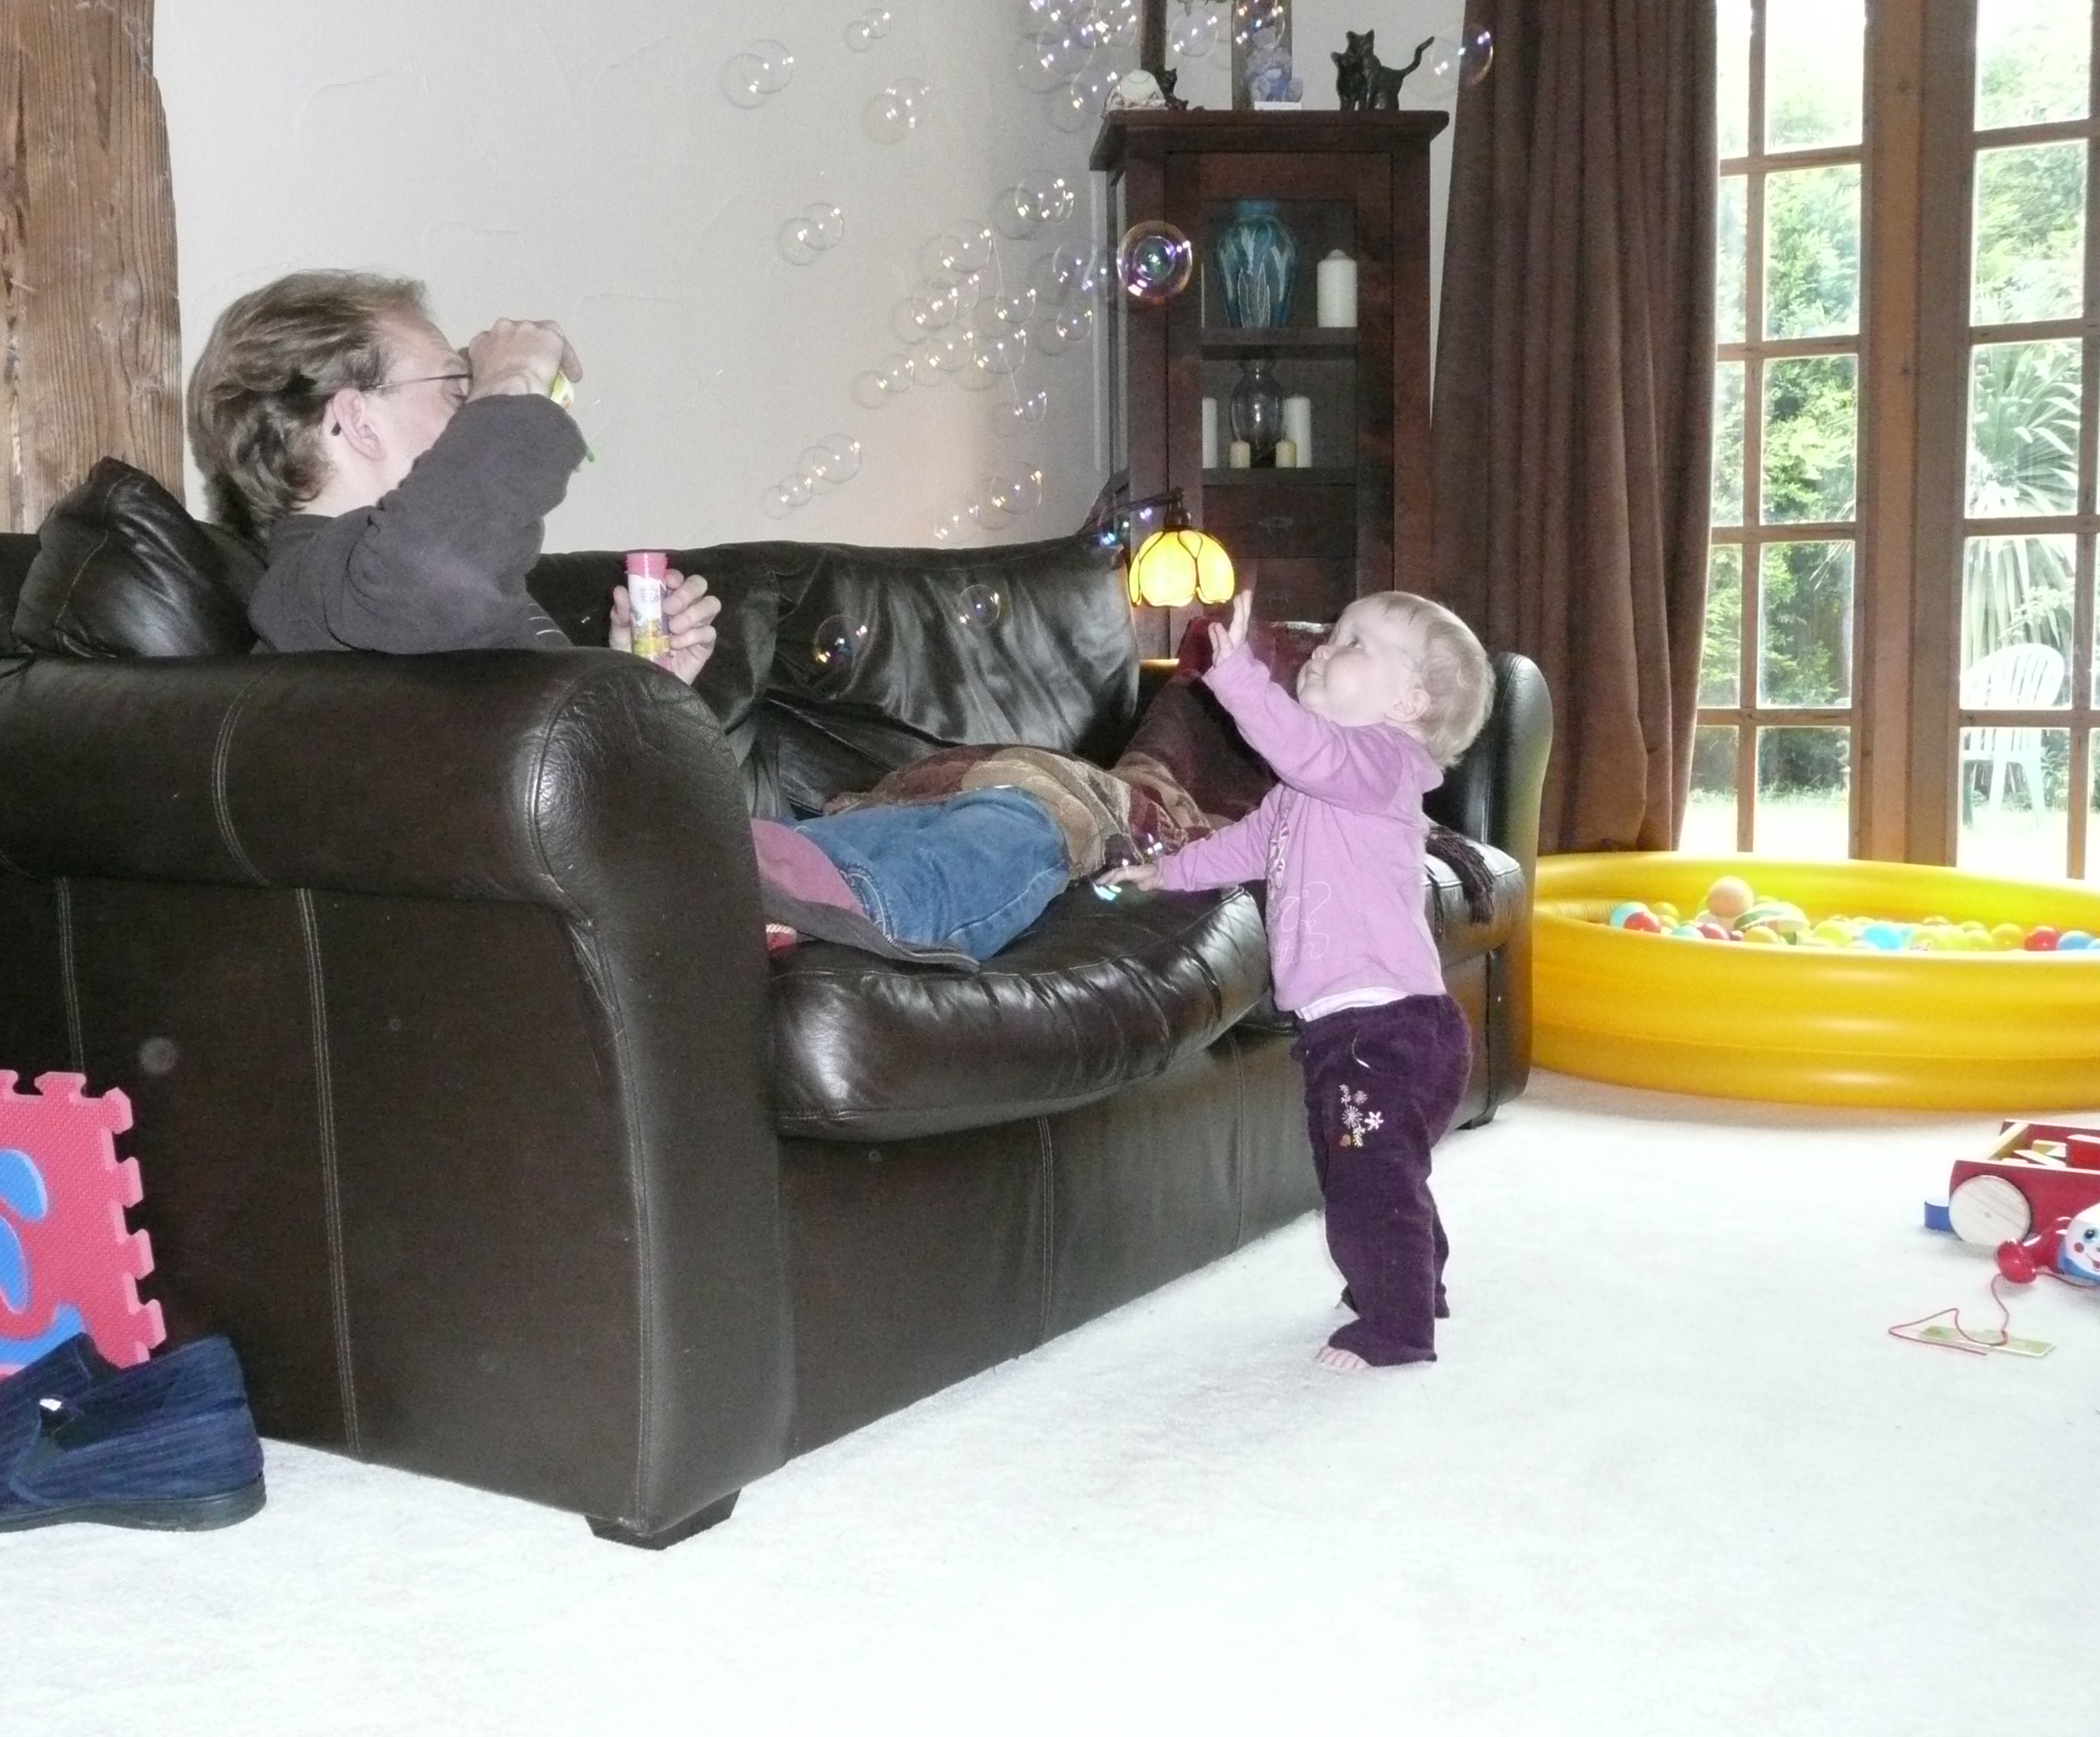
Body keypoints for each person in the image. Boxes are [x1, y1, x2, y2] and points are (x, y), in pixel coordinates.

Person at [186, 269, 1104, 961]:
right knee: (1027, 826)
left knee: (998, 801)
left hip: (705, 864)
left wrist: (633, 686)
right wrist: (515, 380)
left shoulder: (368, 594)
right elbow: (437, 571)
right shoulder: (316, 581)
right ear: (356, 421)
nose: (474, 410)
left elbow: (538, 763)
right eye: (455, 388)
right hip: (696, 903)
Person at [1102, 588, 1495, 1371]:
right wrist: (1168, 871)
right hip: (1353, 1029)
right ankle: (1415, 1280)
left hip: (1386, 1029)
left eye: (1354, 643)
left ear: (1408, 703)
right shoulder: (1309, 790)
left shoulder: (1385, 763)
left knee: (1365, 1182)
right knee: (1377, 1169)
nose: (1324, 648)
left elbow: (1306, 749)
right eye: (1333, 632)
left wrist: (1241, 678)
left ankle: (1397, 1328)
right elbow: (1249, 845)